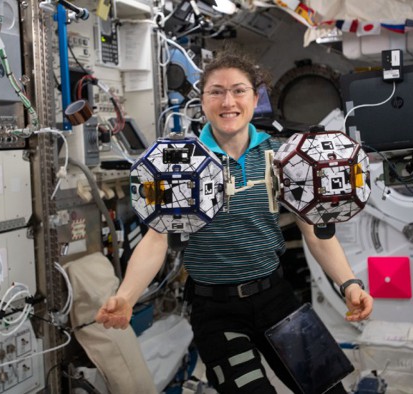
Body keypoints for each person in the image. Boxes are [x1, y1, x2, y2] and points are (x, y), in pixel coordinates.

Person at [96, 52, 373, 393]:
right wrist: (125, 298)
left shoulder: (285, 157)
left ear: (256, 99)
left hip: (276, 298)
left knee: (328, 390)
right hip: (216, 310)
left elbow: (315, 233)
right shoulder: (180, 164)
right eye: (216, 91)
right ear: (203, 100)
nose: (228, 101)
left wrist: (349, 284)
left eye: (239, 90)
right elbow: (156, 240)